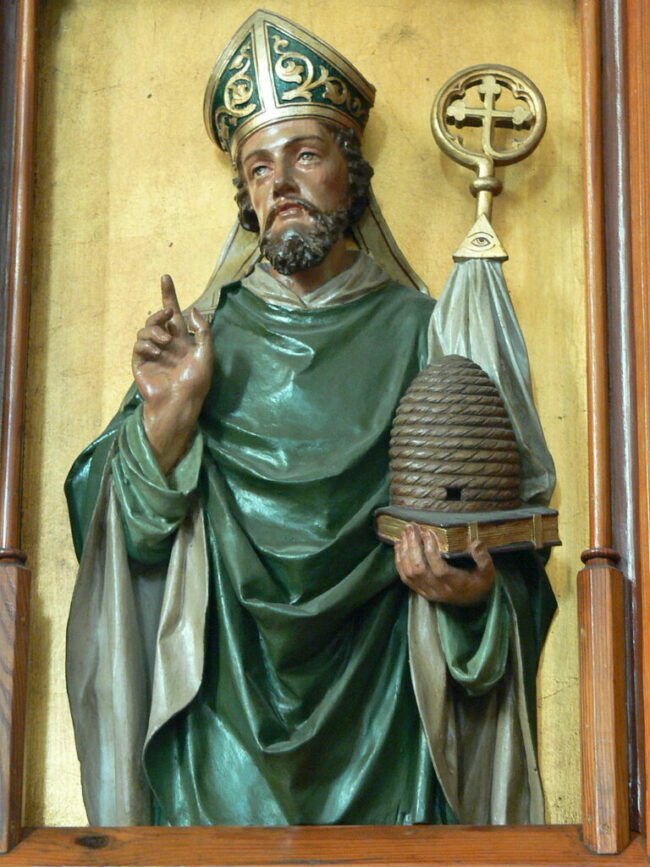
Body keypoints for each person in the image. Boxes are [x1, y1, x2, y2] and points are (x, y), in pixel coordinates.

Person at [65, 10, 556, 827]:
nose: (280, 184)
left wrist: (471, 600)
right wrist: (167, 423)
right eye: (259, 167)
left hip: (386, 723)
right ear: (247, 197)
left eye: (304, 155)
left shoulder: (426, 334)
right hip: (220, 730)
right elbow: (124, 545)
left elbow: (512, 549)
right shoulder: (200, 341)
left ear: (349, 173)